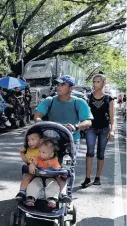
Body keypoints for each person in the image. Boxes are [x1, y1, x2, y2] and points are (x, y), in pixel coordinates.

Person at [34, 75, 93, 204]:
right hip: (48, 141)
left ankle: (66, 195)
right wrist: (39, 121)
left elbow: (88, 121)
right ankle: (39, 192)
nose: (59, 87)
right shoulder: (50, 100)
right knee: (40, 165)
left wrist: (76, 126)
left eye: (63, 85)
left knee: (67, 169)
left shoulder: (79, 102)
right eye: (58, 84)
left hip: (70, 141)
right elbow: (37, 115)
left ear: (71, 88)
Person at [81, 74, 115, 187]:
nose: (95, 84)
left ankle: (98, 177)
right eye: (94, 81)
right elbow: (84, 114)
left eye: (98, 82)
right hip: (91, 128)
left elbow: (112, 117)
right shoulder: (88, 97)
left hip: (104, 128)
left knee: (101, 153)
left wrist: (112, 130)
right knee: (90, 152)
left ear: (104, 83)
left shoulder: (109, 99)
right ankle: (87, 178)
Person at [25, 138, 61, 208]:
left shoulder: (54, 161)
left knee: (53, 185)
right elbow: (33, 163)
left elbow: (58, 170)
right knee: (33, 184)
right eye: (40, 151)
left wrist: (53, 167)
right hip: (38, 176)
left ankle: (52, 199)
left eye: (43, 152)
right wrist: (32, 166)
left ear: (51, 154)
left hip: (51, 178)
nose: (40, 154)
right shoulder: (37, 159)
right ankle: (30, 197)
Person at [16, 129, 44, 201]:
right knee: (27, 176)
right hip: (33, 170)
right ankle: (22, 192)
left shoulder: (45, 148)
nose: (30, 142)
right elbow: (26, 161)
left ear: (40, 141)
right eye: (28, 140)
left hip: (45, 169)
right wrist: (22, 154)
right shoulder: (29, 149)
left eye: (32, 139)